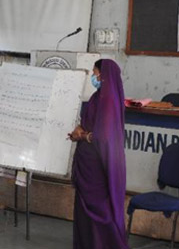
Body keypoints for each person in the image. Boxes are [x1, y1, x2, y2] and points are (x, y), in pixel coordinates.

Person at [68, 59, 129, 249]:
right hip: (86, 163)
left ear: (104, 75)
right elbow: (89, 124)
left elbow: (104, 137)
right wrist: (79, 129)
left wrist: (83, 136)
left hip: (97, 164)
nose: (93, 77)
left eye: (95, 73)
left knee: (100, 210)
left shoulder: (109, 101)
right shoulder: (96, 97)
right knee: (84, 213)